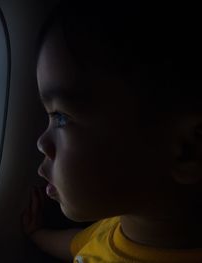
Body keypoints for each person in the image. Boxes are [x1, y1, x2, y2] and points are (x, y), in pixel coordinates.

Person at [22, 1, 202, 262]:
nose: (41, 142)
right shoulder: (121, 223)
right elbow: (77, 245)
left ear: (187, 151)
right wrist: (38, 234)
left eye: (61, 117)